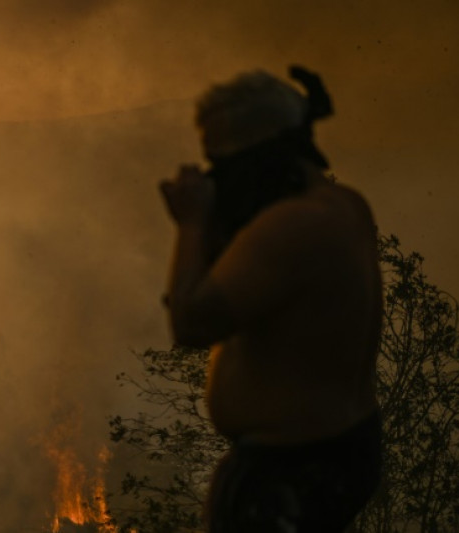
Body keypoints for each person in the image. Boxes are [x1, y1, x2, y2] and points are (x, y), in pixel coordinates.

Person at [159, 66, 383, 533]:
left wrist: (193, 223)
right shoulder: (344, 206)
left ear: (259, 154)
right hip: (329, 452)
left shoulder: (291, 227)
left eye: (223, 163)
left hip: (292, 472)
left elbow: (192, 323)